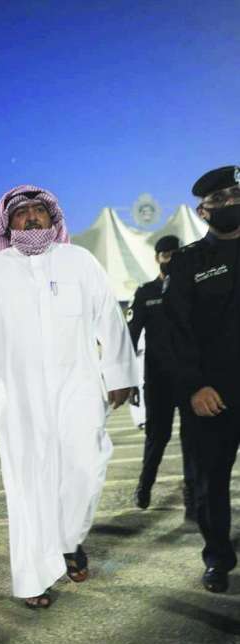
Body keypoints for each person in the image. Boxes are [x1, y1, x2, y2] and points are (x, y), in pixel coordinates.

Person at [0, 184, 137, 609]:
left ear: (54, 219)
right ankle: (33, 576)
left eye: (39, 211)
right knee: (27, 484)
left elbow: (109, 319)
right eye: (21, 213)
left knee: (86, 469)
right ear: (7, 224)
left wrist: (119, 374)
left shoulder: (80, 262)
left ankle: (68, 542)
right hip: (19, 396)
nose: (31, 217)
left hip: (79, 388)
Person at [163, 165, 240, 593]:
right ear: (203, 211)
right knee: (211, 484)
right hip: (213, 395)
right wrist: (194, 386)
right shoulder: (188, 262)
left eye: (236, 194)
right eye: (220, 199)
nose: (231, 203)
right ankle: (218, 559)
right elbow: (175, 332)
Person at [127, 236, 197, 519]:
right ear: (157, 258)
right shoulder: (146, 293)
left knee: (193, 441)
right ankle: (145, 486)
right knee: (157, 437)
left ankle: (193, 499)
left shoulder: (193, 289)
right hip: (158, 381)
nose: (171, 259)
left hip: (191, 380)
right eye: (166, 254)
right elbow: (130, 337)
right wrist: (127, 380)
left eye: (175, 254)